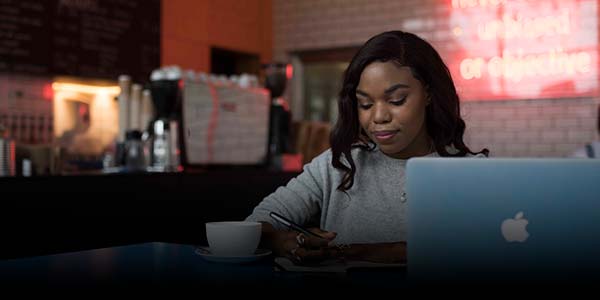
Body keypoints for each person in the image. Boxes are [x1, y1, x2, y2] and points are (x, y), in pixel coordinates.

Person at [245, 31, 489, 265]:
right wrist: (281, 240)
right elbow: (256, 224)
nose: (379, 116)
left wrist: (358, 251)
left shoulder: (472, 173)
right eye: (365, 104)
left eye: (397, 100)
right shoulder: (337, 166)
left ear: (428, 94)